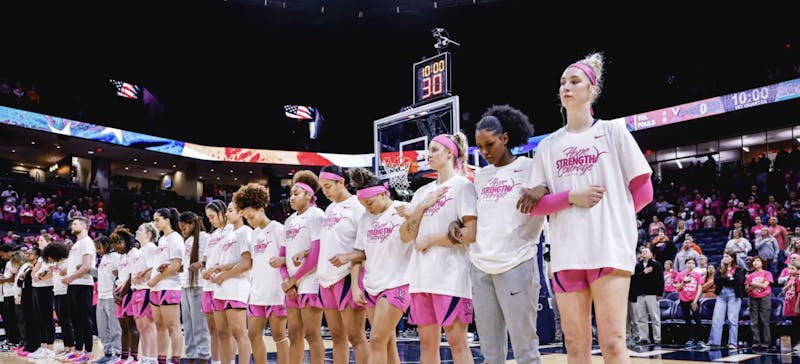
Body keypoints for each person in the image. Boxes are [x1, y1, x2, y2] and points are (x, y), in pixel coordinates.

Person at [518, 52, 653, 364]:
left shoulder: (612, 131)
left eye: (574, 81)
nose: (566, 87)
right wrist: (571, 197)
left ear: (591, 90)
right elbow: (537, 208)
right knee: (575, 344)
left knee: (613, 341)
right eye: (562, 82)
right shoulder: (548, 145)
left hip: (608, 247)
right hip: (566, 252)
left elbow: (643, 191)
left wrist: (614, 219)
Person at [470, 105, 545, 364]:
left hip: (517, 263)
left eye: (489, 145)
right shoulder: (480, 176)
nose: (484, 152)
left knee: (525, 349)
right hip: (480, 267)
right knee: (490, 353)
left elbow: (554, 192)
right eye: (479, 147)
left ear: (505, 138)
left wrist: (543, 189)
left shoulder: (530, 167)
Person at [398, 132, 477, 364]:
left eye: (434, 150)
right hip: (421, 277)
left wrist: (431, 238)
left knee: (457, 344)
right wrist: (421, 207)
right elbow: (405, 235)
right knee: (427, 346)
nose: (428, 154)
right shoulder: (422, 192)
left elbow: (470, 234)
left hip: (451, 277)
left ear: (450, 153)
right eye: (428, 150)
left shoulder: (462, 187)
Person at [333, 167, 413, 364]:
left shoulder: (403, 210)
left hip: (398, 283)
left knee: (376, 340)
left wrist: (414, 215)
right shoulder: (364, 218)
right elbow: (361, 254)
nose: (367, 207)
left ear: (384, 194)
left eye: (370, 202)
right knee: (387, 344)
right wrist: (354, 285)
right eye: (363, 204)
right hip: (371, 286)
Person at [314, 165, 369, 364]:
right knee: (337, 337)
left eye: (328, 186)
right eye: (322, 187)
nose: (325, 191)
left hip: (346, 277)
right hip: (326, 279)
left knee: (356, 336)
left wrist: (347, 257)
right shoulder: (329, 208)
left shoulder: (358, 206)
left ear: (341, 182)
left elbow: (366, 246)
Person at [234, 183, 289, 364]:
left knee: (279, 336)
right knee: (253, 335)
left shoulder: (278, 229)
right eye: (247, 218)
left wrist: (282, 262)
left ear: (261, 208)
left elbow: (288, 257)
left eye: (251, 216)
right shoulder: (253, 234)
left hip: (277, 292)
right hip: (257, 293)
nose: (250, 221)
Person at [278, 170, 326, 364]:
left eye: (296, 193)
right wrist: (286, 282)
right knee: (294, 334)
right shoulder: (288, 221)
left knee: (312, 334)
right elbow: (282, 257)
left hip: (310, 281)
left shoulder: (317, 216)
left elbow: (315, 254)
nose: (292, 197)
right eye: (291, 194)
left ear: (309, 195)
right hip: (291, 284)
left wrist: (293, 280)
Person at [208, 202, 253, 364]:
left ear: (241, 212)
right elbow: (228, 262)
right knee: (222, 333)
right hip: (221, 288)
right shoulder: (227, 235)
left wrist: (224, 275)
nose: (226, 214)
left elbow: (246, 263)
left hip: (237, 287)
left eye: (230, 210)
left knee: (239, 333)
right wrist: (217, 270)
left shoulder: (246, 232)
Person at [148, 208, 185, 364]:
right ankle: (161, 359)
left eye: (157, 220)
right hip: (157, 287)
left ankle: (175, 359)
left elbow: (176, 265)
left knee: (173, 326)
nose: (155, 223)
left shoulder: (175, 238)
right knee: (159, 326)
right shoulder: (162, 239)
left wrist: (156, 279)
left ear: (167, 220)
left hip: (169, 286)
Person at [202, 200, 234, 364]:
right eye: (208, 217)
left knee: (226, 330)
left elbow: (231, 260)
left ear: (223, 212)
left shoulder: (232, 231)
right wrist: (203, 269)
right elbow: (205, 260)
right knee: (213, 329)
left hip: (223, 286)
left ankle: (228, 360)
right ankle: (215, 361)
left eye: (213, 216)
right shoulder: (212, 235)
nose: (211, 220)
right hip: (208, 286)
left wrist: (214, 269)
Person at [64, 216, 98, 363]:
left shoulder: (87, 242)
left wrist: (70, 277)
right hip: (74, 285)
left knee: (84, 319)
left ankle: (88, 352)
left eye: (76, 223)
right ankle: (78, 350)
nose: (72, 226)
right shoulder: (77, 243)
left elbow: (86, 266)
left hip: (83, 285)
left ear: (84, 226)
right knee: (76, 319)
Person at [179, 211, 211, 364]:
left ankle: (203, 356)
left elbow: (209, 259)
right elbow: (184, 264)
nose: (182, 230)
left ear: (192, 224)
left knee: (200, 326)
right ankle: (190, 356)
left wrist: (200, 264)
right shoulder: (187, 241)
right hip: (185, 285)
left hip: (198, 285)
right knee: (188, 326)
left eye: (184, 227)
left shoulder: (205, 238)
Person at [109, 226, 141, 364]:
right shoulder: (122, 256)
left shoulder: (134, 253)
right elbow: (119, 276)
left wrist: (122, 294)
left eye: (117, 245)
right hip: (120, 293)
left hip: (129, 293)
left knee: (131, 326)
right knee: (123, 327)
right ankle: (124, 356)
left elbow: (131, 276)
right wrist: (115, 292)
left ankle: (134, 357)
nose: (116, 248)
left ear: (123, 241)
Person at [131, 223, 159, 364]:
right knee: (141, 327)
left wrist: (141, 277)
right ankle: (145, 357)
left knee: (149, 326)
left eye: (140, 230)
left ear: (148, 234)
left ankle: (152, 358)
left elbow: (154, 269)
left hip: (147, 290)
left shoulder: (151, 248)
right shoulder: (139, 250)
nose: (137, 231)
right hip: (137, 290)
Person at [705, 252, 746, 349]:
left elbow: (738, 281)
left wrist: (725, 280)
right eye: (724, 256)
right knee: (717, 319)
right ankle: (714, 342)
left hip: (734, 295)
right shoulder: (720, 269)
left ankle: (732, 343)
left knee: (732, 319)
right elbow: (716, 280)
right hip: (721, 295)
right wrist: (728, 279)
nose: (724, 258)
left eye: (727, 256)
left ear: (732, 258)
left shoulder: (739, 269)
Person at [94, 235, 122, 364]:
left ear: (107, 245)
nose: (98, 250)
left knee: (114, 327)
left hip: (111, 296)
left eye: (99, 247)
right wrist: (87, 270)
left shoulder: (115, 257)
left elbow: (121, 273)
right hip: (101, 296)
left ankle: (118, 353)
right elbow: (101, 275)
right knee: (102, 327)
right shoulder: (103, 258)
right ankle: (107, 353)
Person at [745, 256, 773, 349]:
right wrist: (755, 284)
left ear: (762, 262)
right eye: (754, 261)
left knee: (764, 320)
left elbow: (765, 286)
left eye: (757, 260)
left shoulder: (767, 273)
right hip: (752, 298)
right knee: (754, 321)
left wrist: (753, 283)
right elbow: (747, 289)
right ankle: (756, 341)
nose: (755, 262)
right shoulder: (750, 275)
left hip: (764, 297)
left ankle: (766, 342)